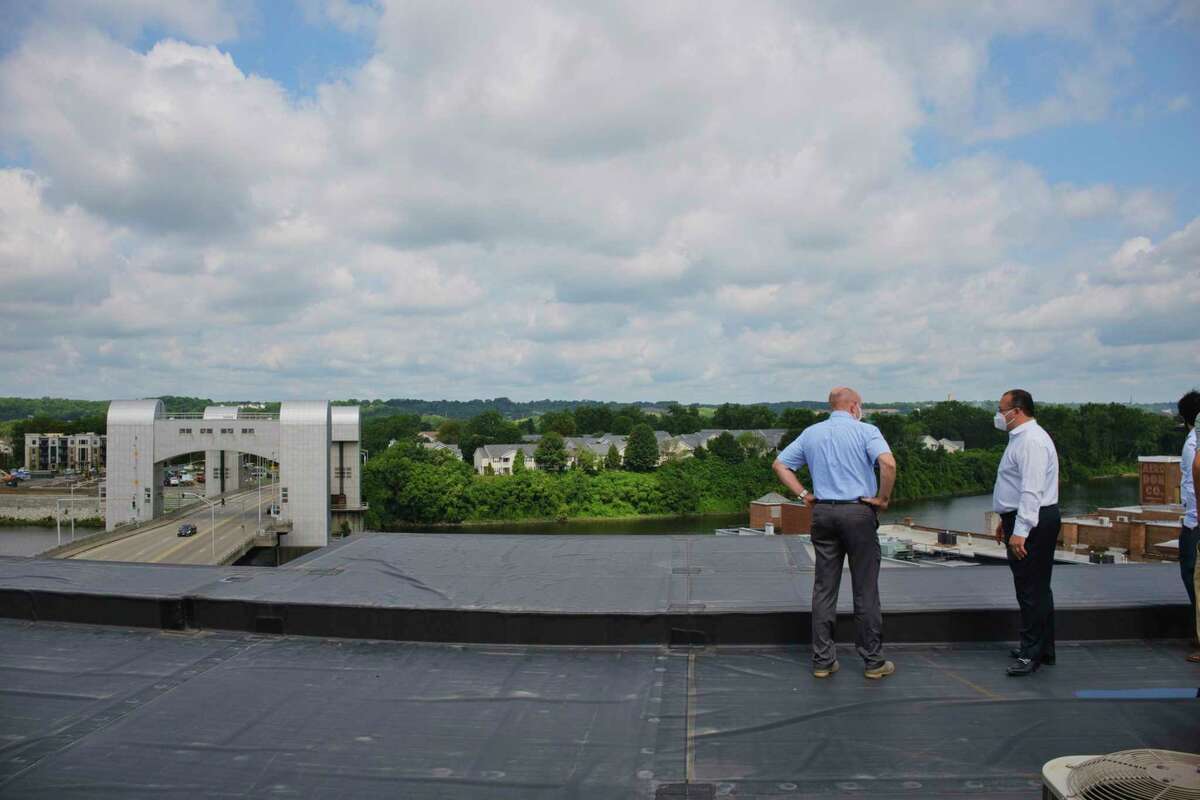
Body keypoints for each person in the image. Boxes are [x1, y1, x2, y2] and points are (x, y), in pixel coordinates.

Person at [773, 387, 897, 680]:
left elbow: (780, 465)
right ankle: (873, 662)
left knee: (824, 588)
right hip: (858, 512)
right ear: (854, 406)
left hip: (823, 513)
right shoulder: (867, 431)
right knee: (865, 588)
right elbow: (888, 463)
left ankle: (823, 661)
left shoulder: (811, 433)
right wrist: (882, 499)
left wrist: (804, 494)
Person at [991, 389, 1060, 676]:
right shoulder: (1020, 438)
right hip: (1023, 517)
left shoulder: (1031, 441)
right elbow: (1015, 486)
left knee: (1031, 590)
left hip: (1033, 521)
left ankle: (1030, 653)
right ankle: (1042, 649)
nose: (998, 415)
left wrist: (1020, 530)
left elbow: (1032, 490)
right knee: (1036, 588)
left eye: (1001, 409)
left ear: (1017, 411)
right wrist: (1005, 519)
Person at [1179, 390, 1200, 663]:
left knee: (1191, 574)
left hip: (1195, 521)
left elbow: (1193, 485)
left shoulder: (1192, 444)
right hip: (1193, 519)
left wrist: (1193, 521)